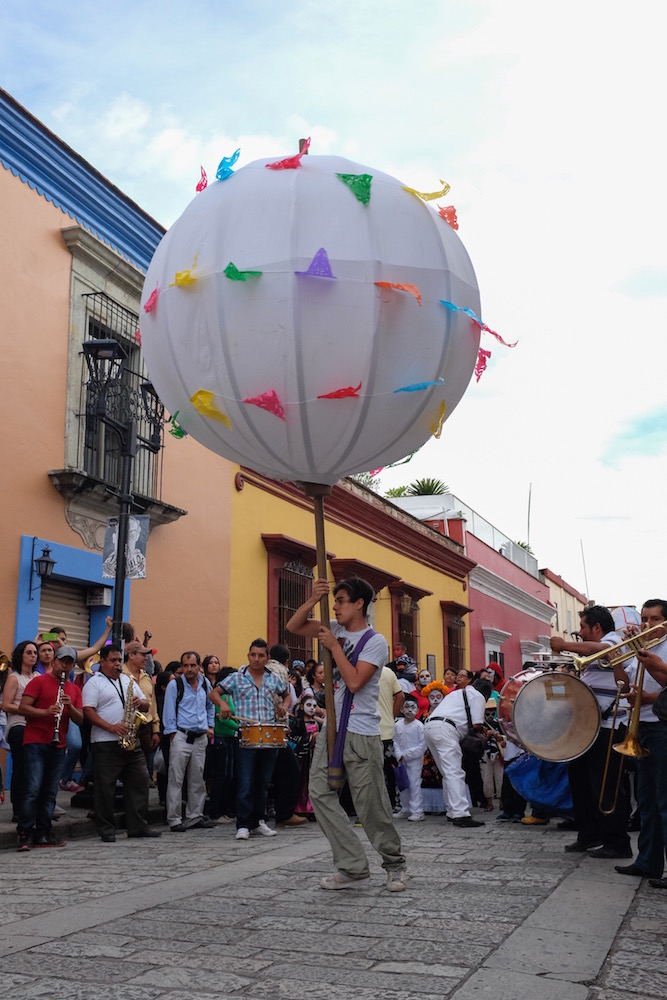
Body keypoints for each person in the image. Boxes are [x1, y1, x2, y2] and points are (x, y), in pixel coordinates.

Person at [287, 577, 407, 892]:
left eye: (341, 600)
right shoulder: (334, 628)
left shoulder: (375, 641)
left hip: (362, 732)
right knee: (320, 793)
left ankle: (394, 864)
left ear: (359, 604)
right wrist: (314, 598)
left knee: (371, 804)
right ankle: (352, 865)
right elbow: (295, 625)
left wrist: (334, 647)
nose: (337, 606)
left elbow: (354, 682)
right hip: (333, 729)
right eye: (335, 600)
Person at [551, 605, 631, 858]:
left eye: (584, 628)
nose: (581, 633)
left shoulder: (614, 640)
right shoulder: (595, 649)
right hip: (588, 728)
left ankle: (617, 841)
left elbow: (604, 651)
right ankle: (589, 833)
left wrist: (563, 644)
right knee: (581, 784)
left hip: (608, 728)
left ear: (597, 627)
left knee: (606, 787)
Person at [81, 644, 160, 842]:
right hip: (106, 741)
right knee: (105, 788)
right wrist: (110, 727)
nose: (117, 664)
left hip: (131, 740)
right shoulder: (94, 683)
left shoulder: (127, 680)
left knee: (140, 782)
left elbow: (146, 704)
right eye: (113, 660)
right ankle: (107, 829)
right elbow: (88, 711)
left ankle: (138, 826)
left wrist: (139, 703)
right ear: (103, 662)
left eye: (119, 660)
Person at [612, 600, 667, 882]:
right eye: (645, 619)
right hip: (641, 726)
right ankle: (648, 861)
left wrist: (645, 698)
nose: (647, 625)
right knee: (646, 800)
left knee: (665, 801)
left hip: (662, 726)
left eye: (655, 619)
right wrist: (619, 660)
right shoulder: (638, 649)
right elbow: (623, 685)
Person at [213, 639, 290, 840]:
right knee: (246, 780)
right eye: (253, 655)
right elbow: (214, 693)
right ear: (248, 656)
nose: (256, 659)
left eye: (261, 655)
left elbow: (287, 695)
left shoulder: (273, 678)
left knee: (263, 781)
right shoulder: (236, 678)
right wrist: (223, 704)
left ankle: (258, 821)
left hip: (269, 734)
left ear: (267, 658)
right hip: (246, 734)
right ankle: (243, 824)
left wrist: (284, 707)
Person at [17, 646, 84, 850]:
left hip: (58, 745)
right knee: (33, 789)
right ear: (54, 661)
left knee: (49, 792)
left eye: (69, 663)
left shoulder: (73, 689)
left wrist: (70, 706)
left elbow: (80, 719)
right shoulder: (39, 681)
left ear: (73, 666)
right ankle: (24, 834)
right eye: (62, 661)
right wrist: (46, 712)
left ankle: (43, 834)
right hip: (35, 741)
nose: (65, 666)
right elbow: (23, 707)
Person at [423, 667, 486, 828]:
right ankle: (460, 813)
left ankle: (451, 810)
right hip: (446, 730)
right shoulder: (477, 696)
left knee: (447, 772)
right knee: (454, 772)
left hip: (430, 727)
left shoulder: (455, 694)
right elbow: (477, 724)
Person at [162, 650, 215, 832]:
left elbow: (210, 705)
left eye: (193, 665)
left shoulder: (205, 683)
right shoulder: (175, 685)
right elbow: (168, 710)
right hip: (181, 736)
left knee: (197, 779)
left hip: (200, 738)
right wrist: (172, 733)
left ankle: (194, 816)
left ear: (199, 666)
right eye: (185, 665)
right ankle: (175, 819)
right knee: (176, 779)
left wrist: (211, 726)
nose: (189, 669)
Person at [266, 643, 306, 828]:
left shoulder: (265, 668)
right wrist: (282, 723)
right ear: (287, 659)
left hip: (266, 727)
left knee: (270, 771)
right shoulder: (281, 671)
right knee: (290, 770)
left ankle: (271, 812)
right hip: (275, 729)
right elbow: (278, 699)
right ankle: (284, 813)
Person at [2, 641, 38, 822]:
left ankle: (33, 806)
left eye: (35, 652)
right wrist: (27, 710)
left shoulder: (39, 677)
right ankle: (18, 809)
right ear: (21, 656)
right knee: (21, 768)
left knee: (36, 769)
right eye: (29, 652)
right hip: (18, 726)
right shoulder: (14, 678)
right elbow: (6, 704)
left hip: (37, 727)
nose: (33, 655)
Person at [122, 640, 160, 772]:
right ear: (131, 655)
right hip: (125, 727)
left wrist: (155, 729)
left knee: (143, 766)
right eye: (142, 655)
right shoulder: (120, 674)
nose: (146, 658)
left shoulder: (147, 677)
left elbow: (152, 705)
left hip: (145, 727)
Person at [393, 694, 426, 821]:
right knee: (402, 785)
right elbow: (395, 741)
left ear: (417, 710)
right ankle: (405, 808)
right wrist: (398, 754)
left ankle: (417, 810)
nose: (409, 710)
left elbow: (423, 745)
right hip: (401, 760)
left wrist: (406, 754)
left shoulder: (419, 726)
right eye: (406, 707)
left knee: (414, 784)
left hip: (414, 760)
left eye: (413, 707)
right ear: (401, 709)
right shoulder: (398, 725)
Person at [378, 664, 405, 810]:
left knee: (369, 770)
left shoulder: (358, 670)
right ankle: (390, 803)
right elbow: (400, 696)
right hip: (386, 728)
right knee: (388, 768)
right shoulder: (388, 672)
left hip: (367, 729)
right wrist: (391, 715)